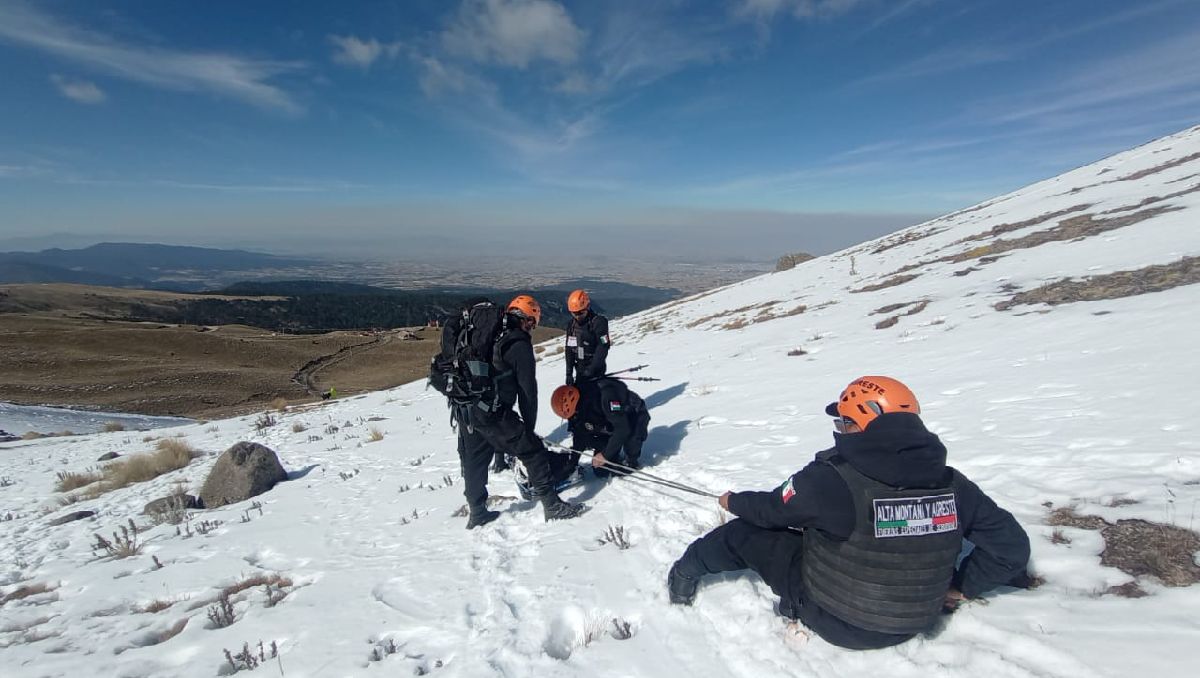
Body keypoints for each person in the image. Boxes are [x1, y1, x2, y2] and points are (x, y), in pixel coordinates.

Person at [667, 376, 1031, 650]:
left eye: (843, 421)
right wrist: (961, 586)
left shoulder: (830, 479)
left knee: (742, 535)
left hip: (836, 621)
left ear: (861, 422)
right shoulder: (953, 483)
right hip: (913, 622)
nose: (840, 429)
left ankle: (684, 573)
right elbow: (1011, 546)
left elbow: (770, 511)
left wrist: (733, 501)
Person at [455, 295, 585, 527]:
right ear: (527, 319)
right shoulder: (517, 344)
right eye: (532, 323)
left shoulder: (485, 334)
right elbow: (528, 394)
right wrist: (528, 429)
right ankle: (552, 505)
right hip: (493, 413)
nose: (531, 328)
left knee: (473, 461)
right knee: (533, 452)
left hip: (465, 408)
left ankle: (477, 513)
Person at [551, 379, 650, 477]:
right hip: (609, 423)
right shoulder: (578, 409)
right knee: (601, 471)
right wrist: (573, 462)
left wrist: (604, 455)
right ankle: (612, 448)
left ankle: (631, 461)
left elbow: (623, 429)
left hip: (633, 415)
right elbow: (580, 434)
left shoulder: (606, 397)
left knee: (631, 438)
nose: (574, 415)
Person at [564, 290, 611, 386]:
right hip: (580, 368)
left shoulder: (598, 322)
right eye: (574, 313)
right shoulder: (572, 325)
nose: (577, 317)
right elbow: (569, 349)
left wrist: (592, 369)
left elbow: (603, 346)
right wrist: (569, 373)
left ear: (587, 307)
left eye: (580, 313)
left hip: (596, 369)